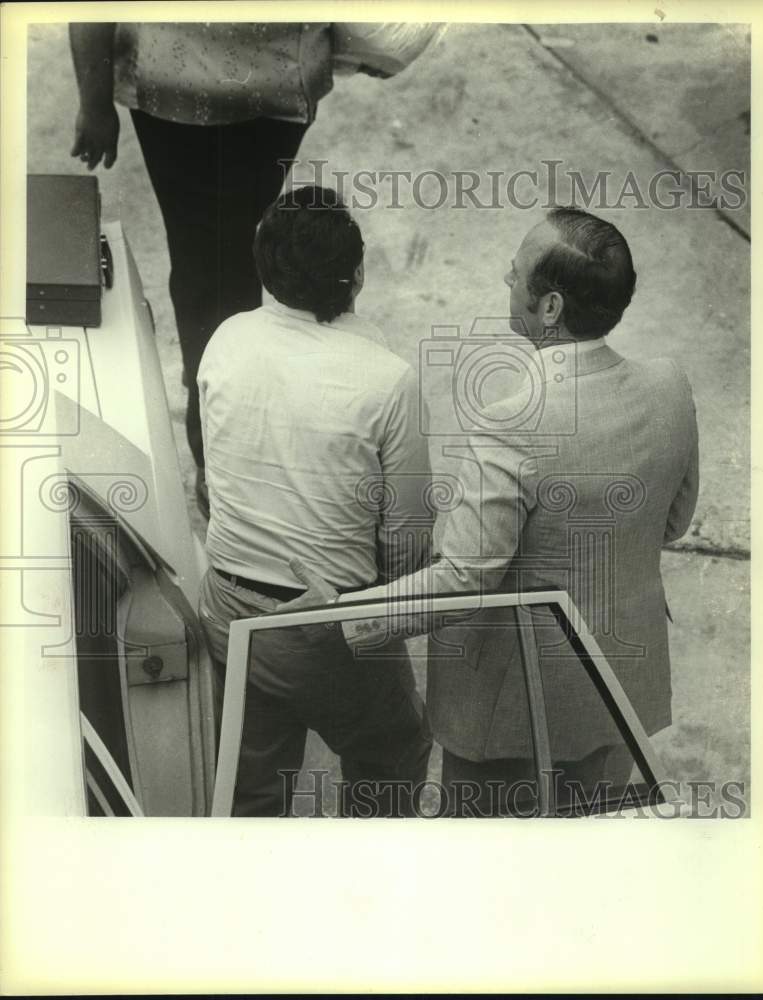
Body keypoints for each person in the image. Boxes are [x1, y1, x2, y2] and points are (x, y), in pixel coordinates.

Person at [282, 207, 700, 817]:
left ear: (550, 307)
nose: (507, 278)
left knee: (483, 864)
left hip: (515, 702)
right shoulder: (670, 386)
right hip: (622, 684)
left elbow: (465, 579)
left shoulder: (511, 423)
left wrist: (346, 615)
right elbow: (673, 523)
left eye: (517, 272)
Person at [196, 186, 434, 817]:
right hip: (331, 623)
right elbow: (409, 539)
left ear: (262, 264)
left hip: (229, 610)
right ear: (356, 276)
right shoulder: (387, 379)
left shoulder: (225, 340)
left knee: (250, 790)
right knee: (393, 753)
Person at [69, 22, 336, 516]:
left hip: (186, 86)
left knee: (210, 262)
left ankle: (218, 441)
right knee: (222, 262)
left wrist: (95, 99)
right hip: (267, 79)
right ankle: (221, 443)